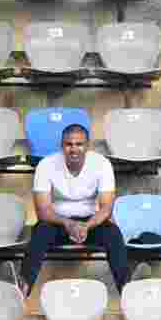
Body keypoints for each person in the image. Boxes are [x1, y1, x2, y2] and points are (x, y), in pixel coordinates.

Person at [14, 123, 128, 297]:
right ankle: (22, 289)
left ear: (87, 145)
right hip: (58, 221)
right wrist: (69, 224)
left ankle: (127, 290)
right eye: (69, 144)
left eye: (79, 144)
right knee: (39, 232)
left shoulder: (102, 164)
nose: (74, 149)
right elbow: (43, 211)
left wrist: (86, 226)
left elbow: (106, 208)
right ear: (62, 146)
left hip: (90, 221)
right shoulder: (46, 165)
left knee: (113, 233)